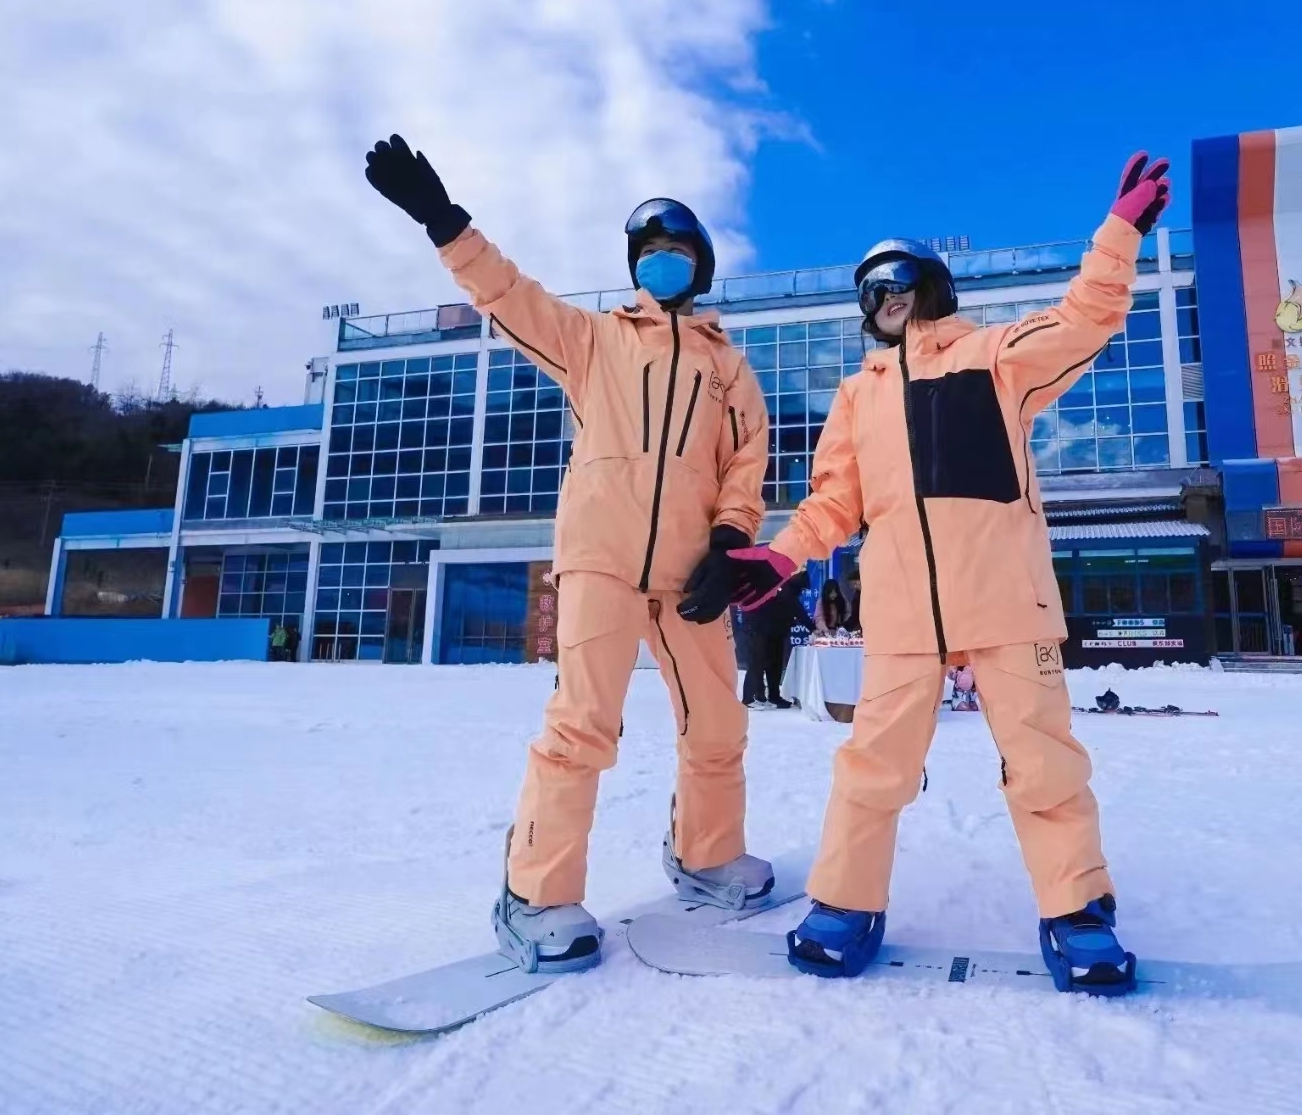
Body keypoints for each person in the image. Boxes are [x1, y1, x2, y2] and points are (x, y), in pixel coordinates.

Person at [724, 152, 1172, 995]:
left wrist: (1118, 234)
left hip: (1007, 600)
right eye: (870, 290)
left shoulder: (995, 359)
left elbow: (1085, 317)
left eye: (897, 279)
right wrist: (782, 554)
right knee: (873, 763)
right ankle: (845, 902)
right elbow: (834, 501)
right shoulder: (857, 397)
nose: (884, 296)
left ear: (931, 285)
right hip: (902, 613)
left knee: (1043, 763)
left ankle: (1077, 910)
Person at [364, 135, 777, 973]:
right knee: (584, 723)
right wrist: (445, 223)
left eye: (677, 249)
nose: (663, 260)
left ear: (700, 265)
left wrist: (731, 539)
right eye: (649, 250)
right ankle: (536, 893)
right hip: (600, 558)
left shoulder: (728, 367)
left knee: (717, 721)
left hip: (691, 570)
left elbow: (746, 462)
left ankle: (705, 854)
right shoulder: (592, 341)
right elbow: (508, 296)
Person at [741, 572, 810, 707]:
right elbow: (797, 609)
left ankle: (773, 696)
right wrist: (812, 627)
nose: (802, 592)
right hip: (760, 630)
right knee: (757, 664)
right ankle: (750, 698)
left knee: (774, 665)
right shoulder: (785, 589)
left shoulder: (783, 588)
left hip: (775, 631)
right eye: (802, 589)